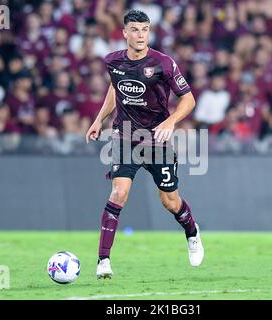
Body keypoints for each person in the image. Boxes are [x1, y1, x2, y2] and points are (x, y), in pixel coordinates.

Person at [86, 10, 204, 279]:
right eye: (135, 29)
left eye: (145, 29)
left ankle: (191, 231)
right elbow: (116, 89)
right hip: (125, 136)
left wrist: (171, 121)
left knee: (170, 202)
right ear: (125, 33)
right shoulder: (112, 61)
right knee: (118, 193)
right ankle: (103, 261)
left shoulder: (163, 63)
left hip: (157, 140)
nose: (140, 35)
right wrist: (99, 120)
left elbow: (188, 99)